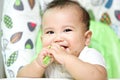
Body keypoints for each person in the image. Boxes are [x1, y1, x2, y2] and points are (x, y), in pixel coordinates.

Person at [17, 0, 107, 80]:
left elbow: (99, 77)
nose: (57, 38)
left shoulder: (88, 55)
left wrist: (65, 58)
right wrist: (38, 65)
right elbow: (20, 78)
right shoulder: (46, 60)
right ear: (42, 39)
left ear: (86, 38)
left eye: (67, 30)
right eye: (50, 32)